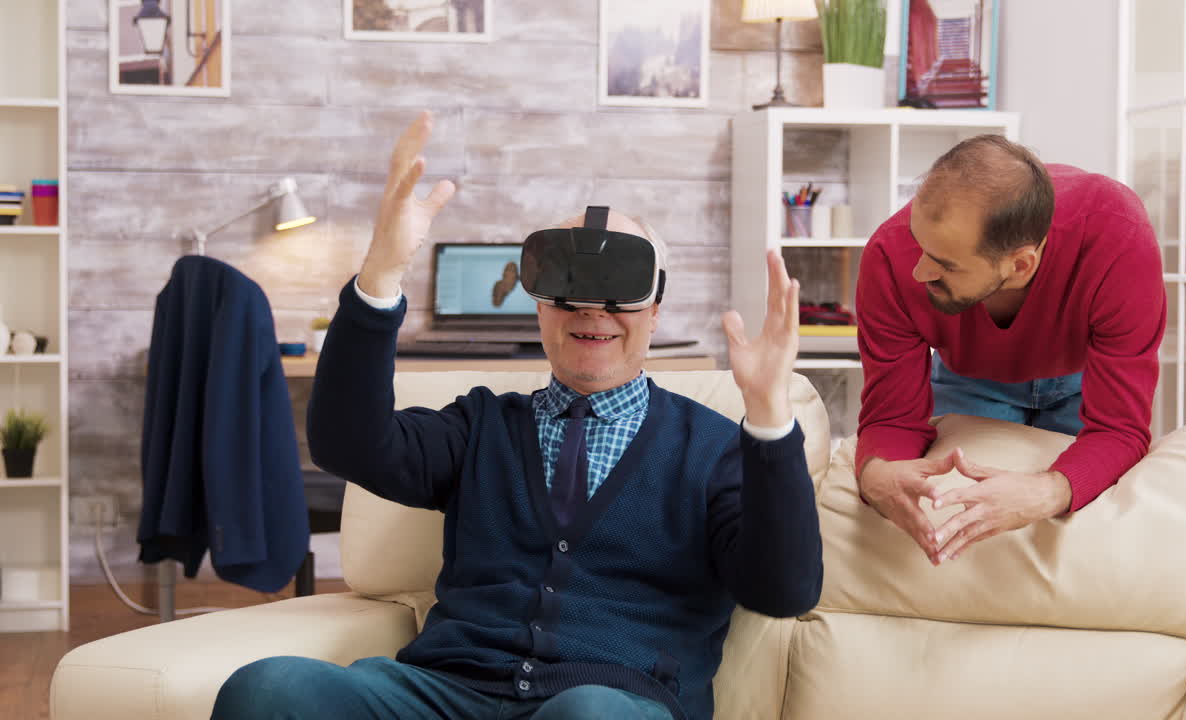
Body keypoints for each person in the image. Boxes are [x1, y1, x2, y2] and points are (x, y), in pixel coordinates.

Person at [210, 111, 823, 720]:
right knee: (267, 691)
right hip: (446, 694)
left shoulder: (716, 450)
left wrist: (769, 417)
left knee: (587, 717)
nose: (590, 309)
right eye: (566, 285)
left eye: (618, 290)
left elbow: (783, 591)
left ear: (656, 310)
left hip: (613, 703)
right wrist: (381, 273)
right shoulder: (481, 426)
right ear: (538, 307)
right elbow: (348, 444)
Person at [854, 135, 1166, 566]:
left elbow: (1121, 429)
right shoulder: (890, 255)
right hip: (970, 371)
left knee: (1083, 542)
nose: (918, 270)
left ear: (1020, 265)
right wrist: (876, 475)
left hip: (1085, 373)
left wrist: (1049, 491)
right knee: (962, 528)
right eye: (920, 244)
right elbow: (890, 418)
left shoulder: (1119, 237)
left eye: (944, 264)